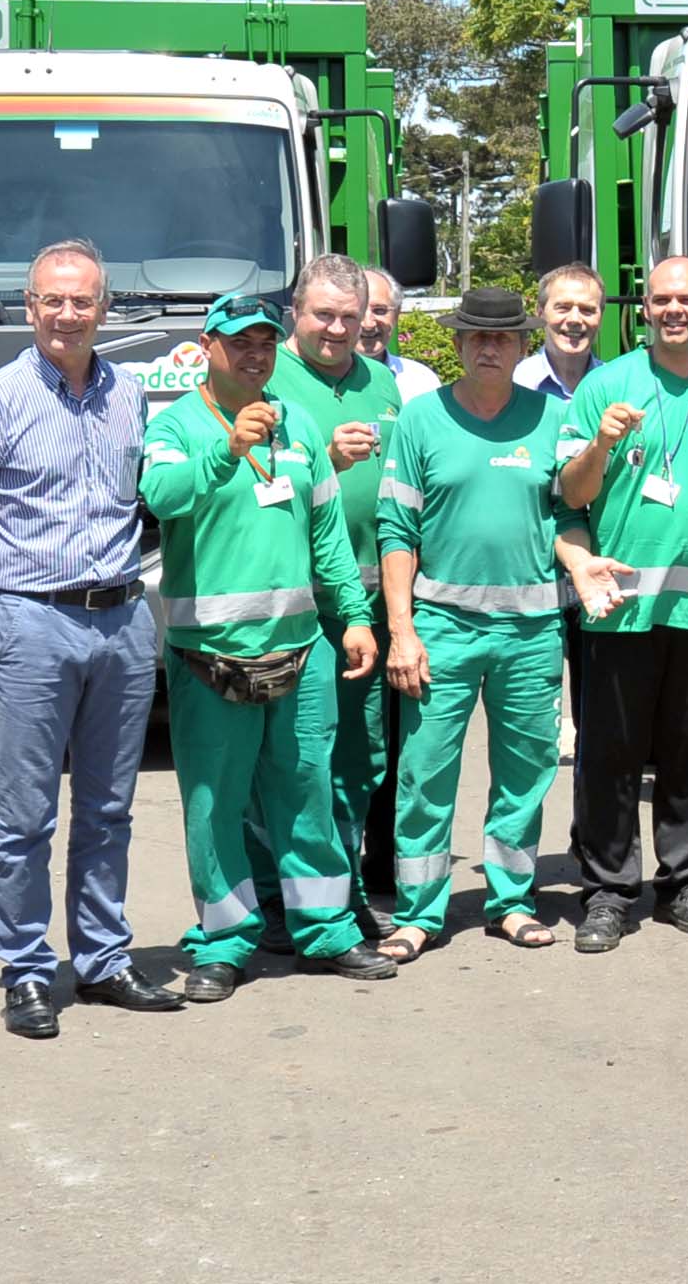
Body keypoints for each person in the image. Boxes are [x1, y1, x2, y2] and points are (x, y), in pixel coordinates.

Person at [0, 238, 181, 1037]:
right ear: (29, 307)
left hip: (121, 620)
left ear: (103, 309)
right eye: (53, 300)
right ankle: (27, 971)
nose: (67, 314)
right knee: (26, 816)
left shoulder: (129, 394)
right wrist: (1, 619)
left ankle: (104, 960)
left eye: (82, 301)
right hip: (31, 619)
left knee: (109, 809)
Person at [144, 291, 398, 998]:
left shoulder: (298, 425)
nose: (254, 357)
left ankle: (327, 930)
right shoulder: (177, 424)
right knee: (215, 807)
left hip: (301, 649)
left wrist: (354, 617)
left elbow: (327, 535)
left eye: (263, 343)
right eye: (239, 343)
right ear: (208, 348)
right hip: (210, 655)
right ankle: (225, 942)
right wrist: (227, 450)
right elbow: (160, 495)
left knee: (307, 795)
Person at [556, 256, 688, 952]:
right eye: (662, 299)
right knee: (609, 756)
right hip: (620, 604)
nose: (674, 310)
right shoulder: (605, 385)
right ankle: (608, 891)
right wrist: (602, 444)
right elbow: (571, 495)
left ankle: (684, 883)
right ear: (644, 309)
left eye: (687, 300)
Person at [373, 287, 573, 960]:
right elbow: (396, 530)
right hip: (442, 629)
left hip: (531, 631)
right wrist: (402, 631)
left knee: (526, 773)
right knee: (424, 775)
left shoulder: (552, 418)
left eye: (504, 338)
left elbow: (570, 516)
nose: (490, 348)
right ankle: (418, 913)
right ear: (458, 345)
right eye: (478, 337)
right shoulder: (420, 419)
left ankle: (511, 902)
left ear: (523, 346)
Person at [266, 252, 408, 935]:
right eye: (323, 314)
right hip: (294, 604)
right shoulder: (266, 374)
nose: (338, 329)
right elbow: (250, 481)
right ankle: (278, 899)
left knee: (360, 756)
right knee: (294, 760)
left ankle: (340, 890)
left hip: (366, 605)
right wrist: (324, 454)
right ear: (296, 312)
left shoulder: (383, 382)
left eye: (350, 317)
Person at [514, 263, 605, 401]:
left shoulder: (616, 385)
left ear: (601, 317)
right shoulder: (515, 384)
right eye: (563, 308)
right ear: (540, 313)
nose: (575, 319)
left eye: (587, 310)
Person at [360, 268, 443, 403]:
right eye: (359, 310)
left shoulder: (422, 381)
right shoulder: (324, 383)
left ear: (397, 313)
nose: (368, 324)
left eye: (379, 311)